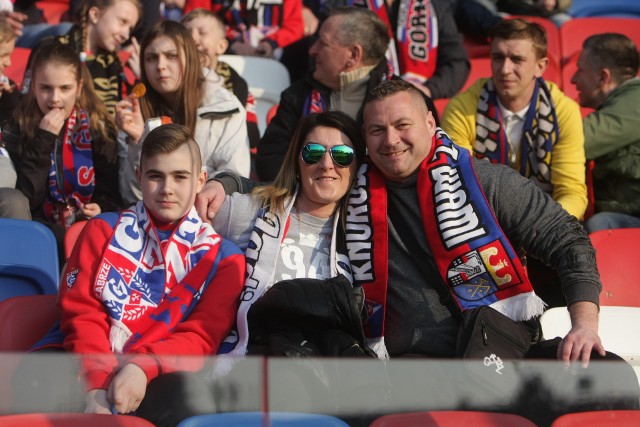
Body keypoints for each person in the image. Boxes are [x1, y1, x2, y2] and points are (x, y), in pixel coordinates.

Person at [198, 79, 639, 425]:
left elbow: (566, 237)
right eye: (376, 130)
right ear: (365, 141)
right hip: (408, 371)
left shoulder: (484, 182)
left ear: (431, 123)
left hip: (505, 352)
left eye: (402, 125)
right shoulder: (350, 189)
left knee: (610, 376)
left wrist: (585, 324)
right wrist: (225, 182)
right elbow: (283, 191)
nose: (391, 140)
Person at [13, 124, 245, 426]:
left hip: (159, 369)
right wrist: (95, 382)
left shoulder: (225, 258)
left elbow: (200, 337)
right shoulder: (102, 229)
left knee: (191, 401)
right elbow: (83, 312)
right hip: (83, 356)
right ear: (139, 176)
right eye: (155, 176)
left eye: (180, 177)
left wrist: (141, 368)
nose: (167, 189)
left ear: (201, 181)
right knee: (32, 381)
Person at [212, 111, 374, 360]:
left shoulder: (365, 232)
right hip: (257, 361)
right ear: (297, 161)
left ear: (357, 167)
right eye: (313, 153)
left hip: (330, 373)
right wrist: (223, 182)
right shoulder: (252, 211)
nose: (327, 164)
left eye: (342, 155)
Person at [255, 6, 437, 181]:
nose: (312, 50)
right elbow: (270, 159)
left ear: (353, 55)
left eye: (322, 43)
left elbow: (428, 161)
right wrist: (313, 191)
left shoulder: (409, 100)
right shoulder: (297, 95)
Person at [441, 18, 586, 220]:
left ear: (540, 66)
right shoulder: (461, 109)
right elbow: (456, 183)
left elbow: (572, 192)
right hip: (480, 223)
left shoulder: (564, 110)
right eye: (498, 57)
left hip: (546, 223)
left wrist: (545, 227)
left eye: (517, 59)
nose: (505, 69)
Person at [116, 20, 249, 205]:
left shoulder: (225, 107)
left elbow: (234, 181)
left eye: (171, 56)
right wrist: (139, 141)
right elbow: (130, 197)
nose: (160, 65)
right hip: (152, 223)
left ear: (191, 58)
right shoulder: (133, 113)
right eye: (151, 58)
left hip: (208, 218)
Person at [2, 43, 121, 247]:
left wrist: (100, 206)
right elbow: (26, 199)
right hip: (39, 232)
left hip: (87, 230)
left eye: (65, 88)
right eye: (46, 88)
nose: (55, 99)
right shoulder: (17, 127)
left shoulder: (96, 128)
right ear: (34, 86)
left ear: (79, 87)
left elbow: (111, 190)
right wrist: (44, 139)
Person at [570, 33, 640, 233]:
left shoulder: (637, 99)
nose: (574, 80)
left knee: (601, 226)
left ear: (603, 77)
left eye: (580, 70)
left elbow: (574, 143)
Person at [23, 0, 141, 117]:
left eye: (130, 29)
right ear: (95, 14)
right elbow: (25, 105)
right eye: (123, 22)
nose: (126, 35)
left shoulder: (113, 65)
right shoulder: (49, 48)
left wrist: (142, 77)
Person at [181, 8, 260, 152]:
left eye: (202, 33)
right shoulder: (173, 83)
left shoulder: (237, 85)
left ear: (222, 46)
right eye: (186, 34)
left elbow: (251, 137)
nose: (192, 39)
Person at [0, 16, 20, 124]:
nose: (8, 63)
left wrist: (8, 96)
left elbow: (11, 131)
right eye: (3, 55)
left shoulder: (9, 88)